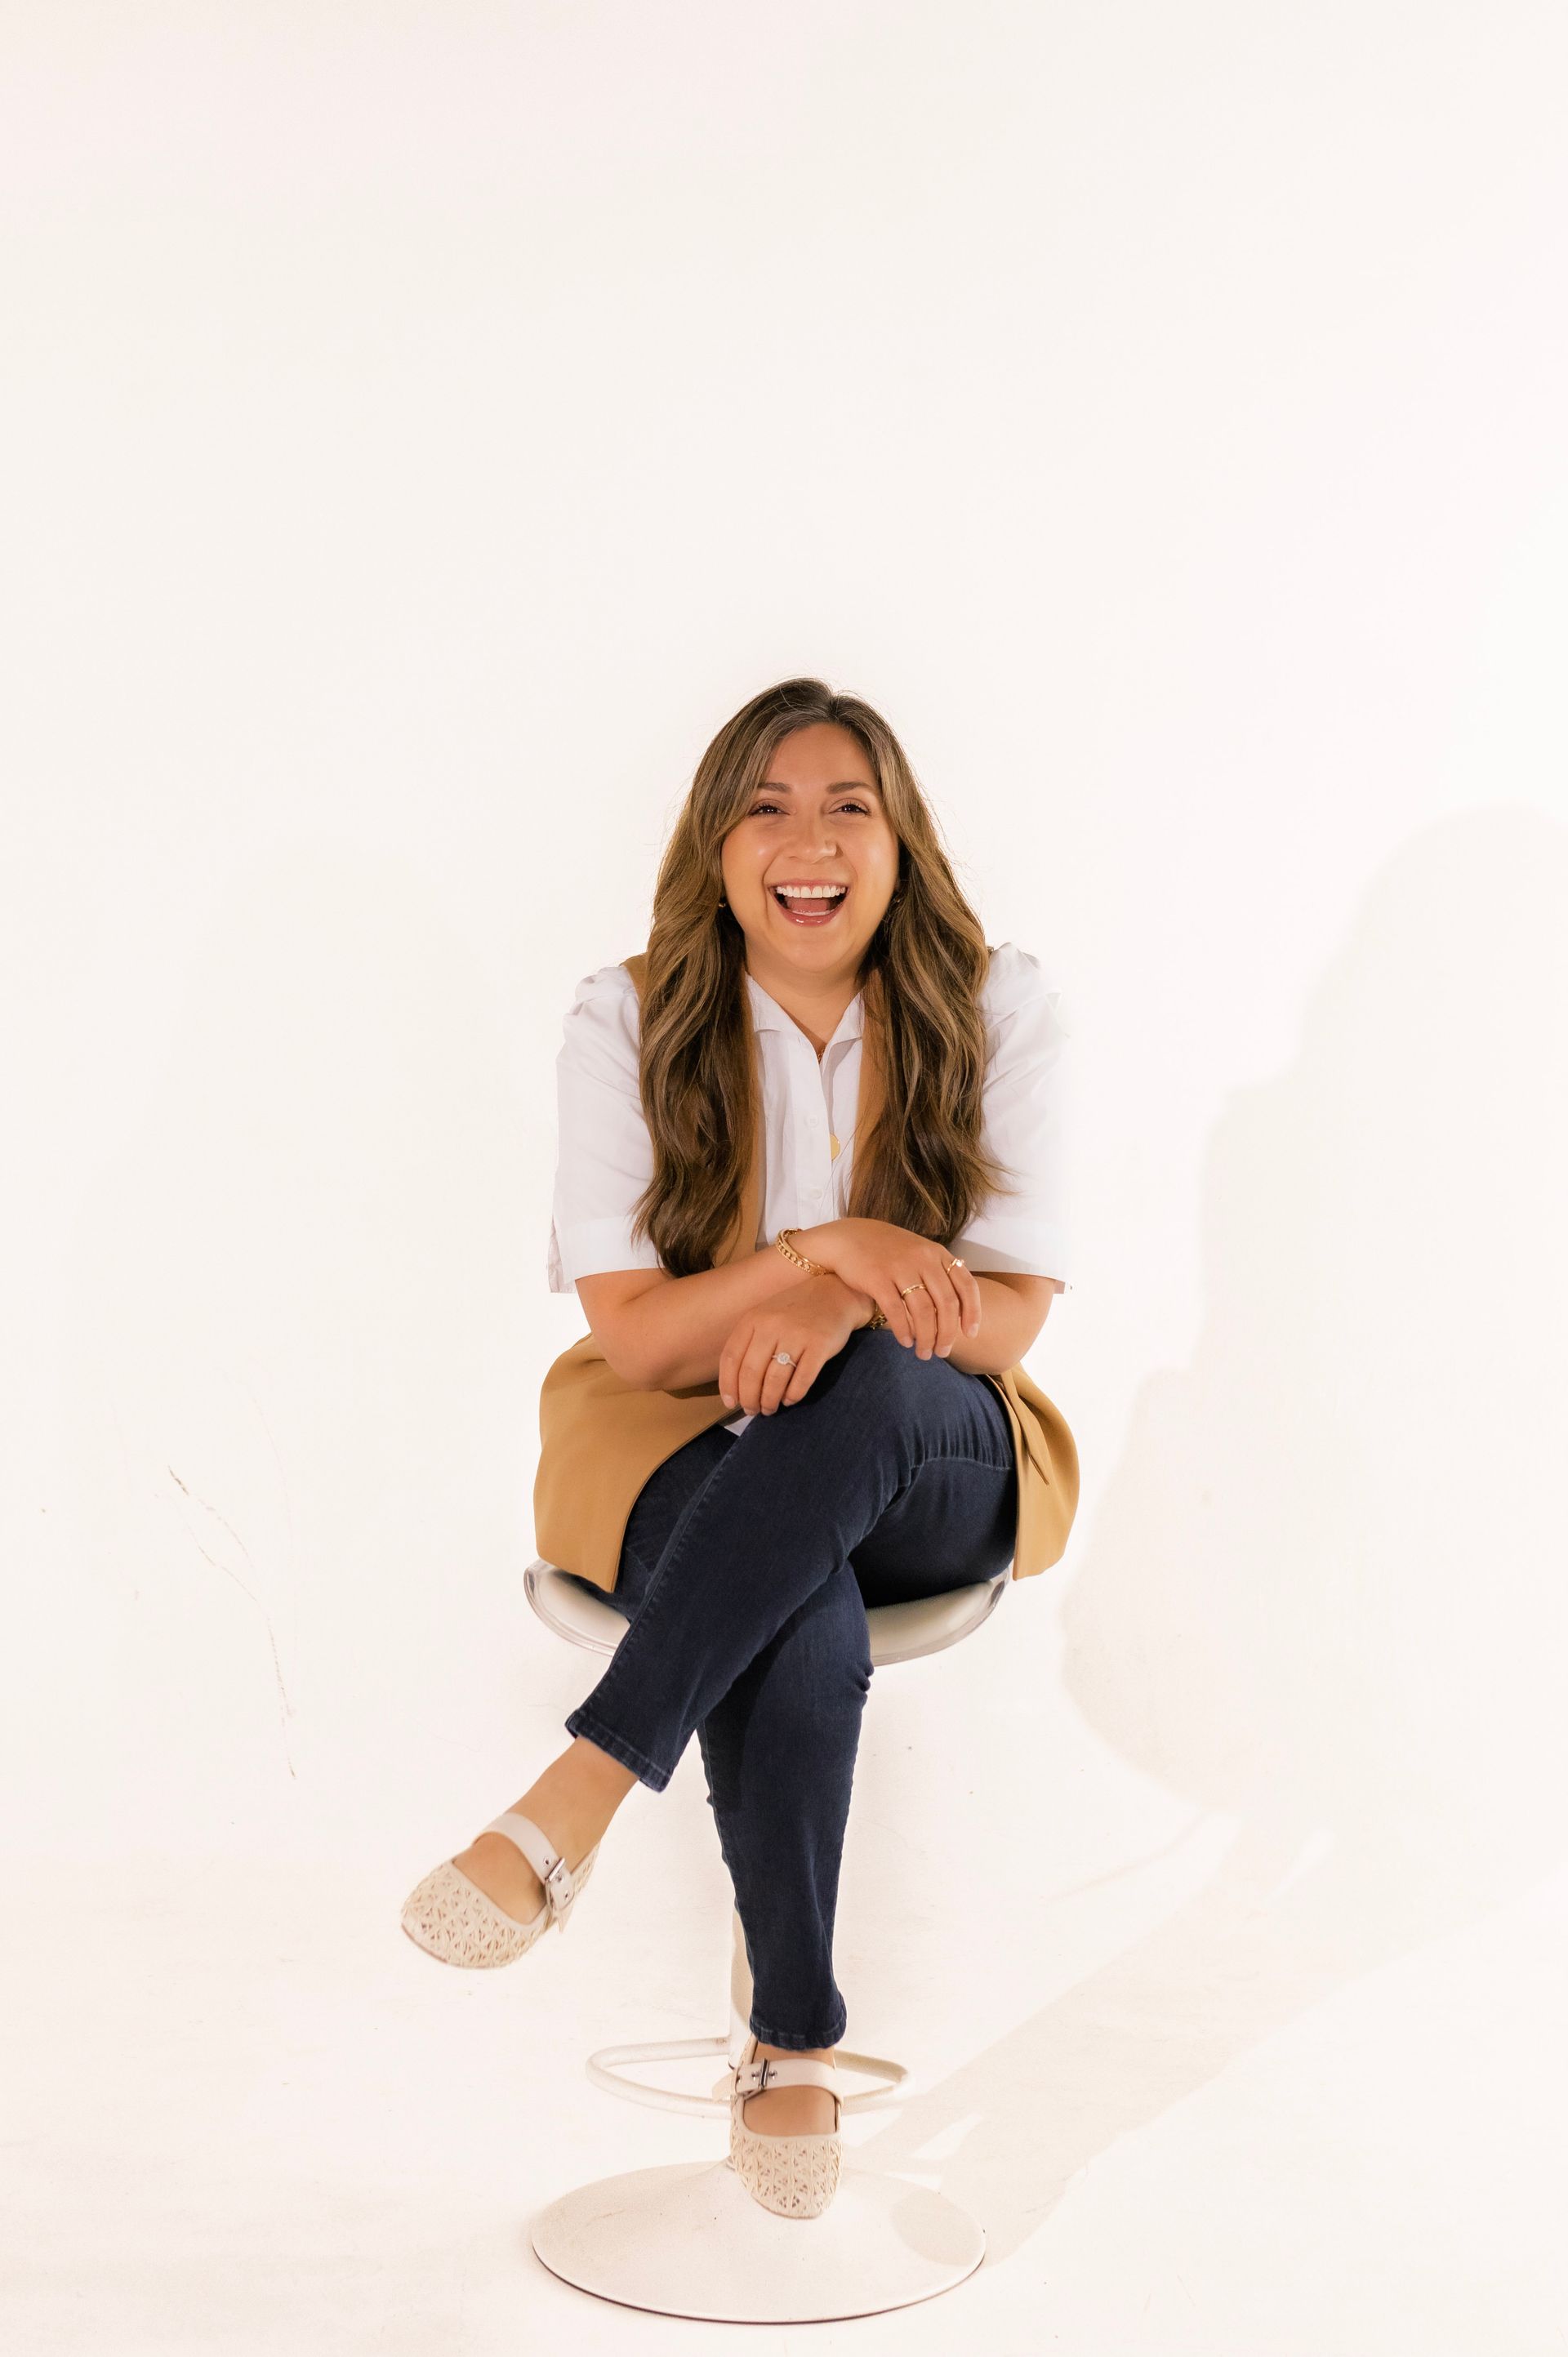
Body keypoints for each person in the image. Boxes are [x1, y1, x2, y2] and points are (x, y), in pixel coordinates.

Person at [401, 675, 1076, 2218]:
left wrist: (849, 1310)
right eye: (765, 806)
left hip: (934, 1442)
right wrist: (829, 1251)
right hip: (672, 1444)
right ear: (714, 845)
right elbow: (642, 1340)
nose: (808, 840)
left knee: (878, 1397)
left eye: (849, 805)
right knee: (800, 1603)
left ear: (903, 842)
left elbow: (1010, 1315)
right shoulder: (627, 1016)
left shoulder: (1003, 1003)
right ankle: (794, 2044)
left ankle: (574, 1793)